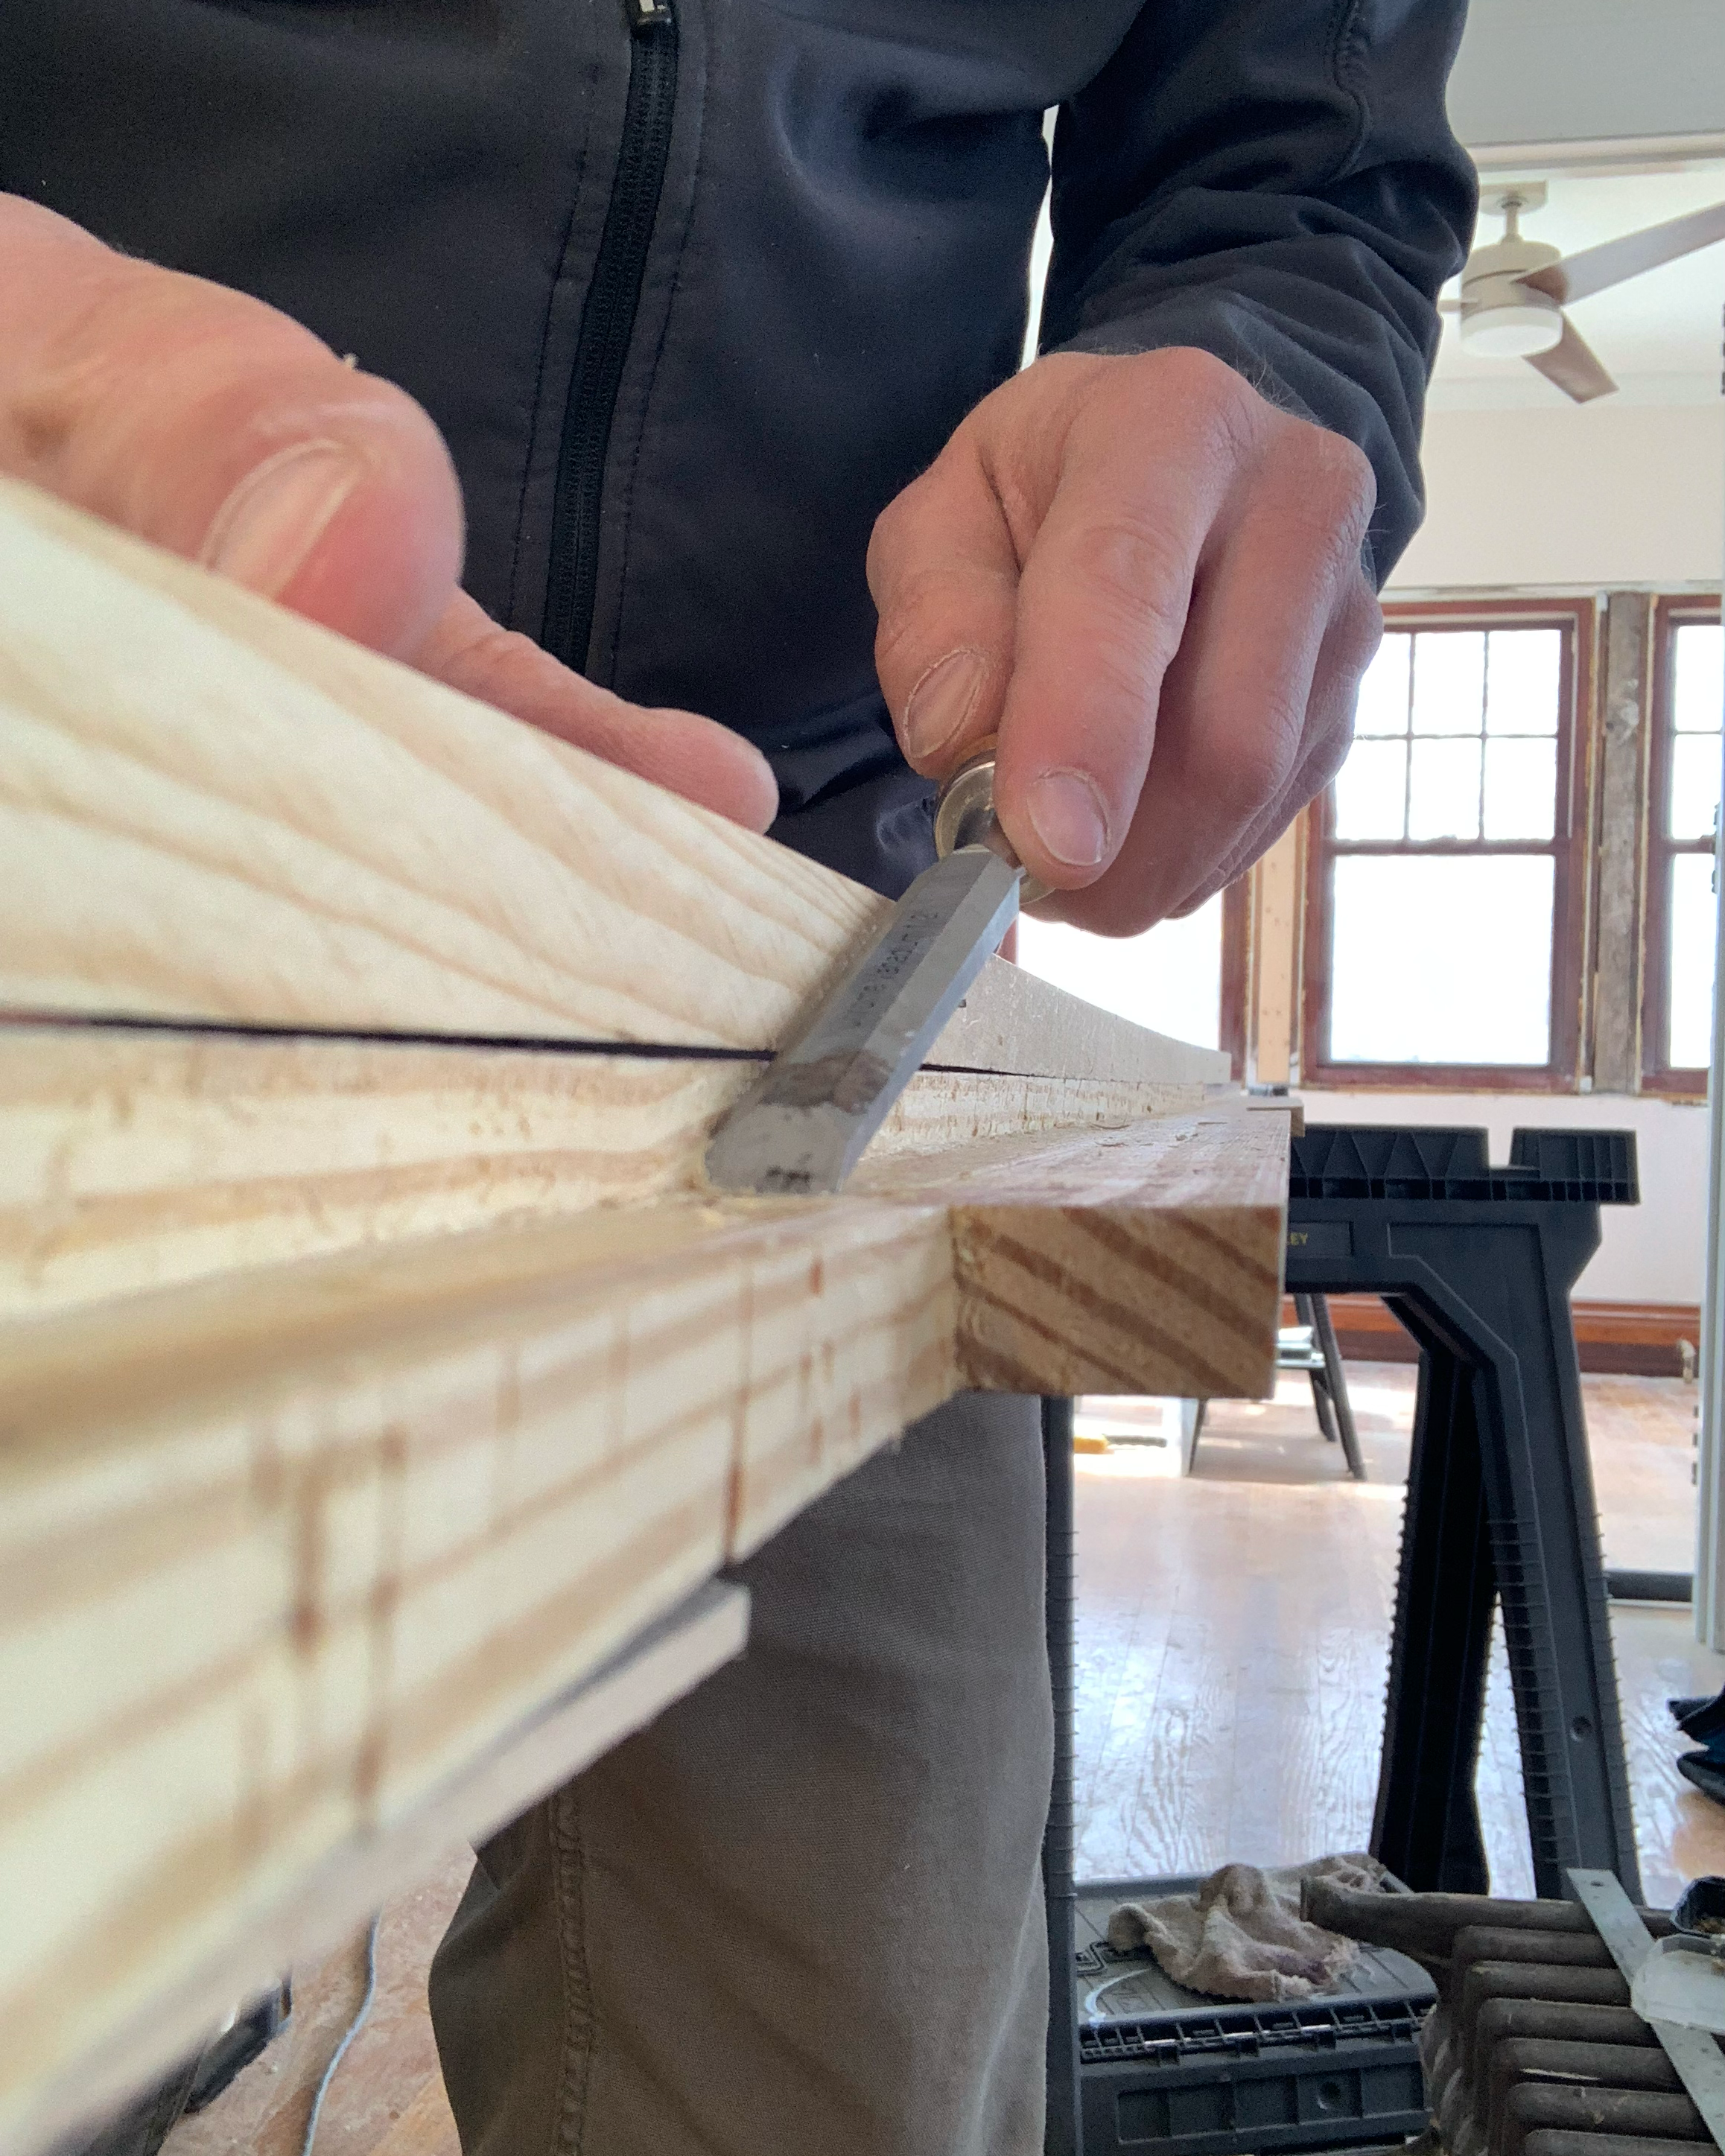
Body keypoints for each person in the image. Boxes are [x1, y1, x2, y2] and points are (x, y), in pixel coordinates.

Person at [1, 4, 1475, 2151]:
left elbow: (1299, 171)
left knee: (842, 2062)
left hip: (800, 991)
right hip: (85, 867)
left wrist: (1258, 354)